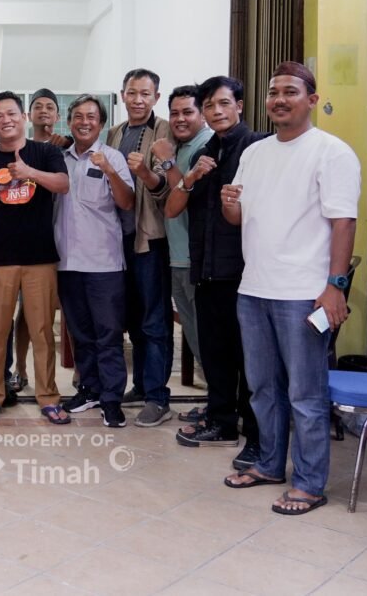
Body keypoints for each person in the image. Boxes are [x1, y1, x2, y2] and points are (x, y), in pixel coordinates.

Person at [223, 62, 360, 515]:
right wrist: (228, 205)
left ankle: (310, 482)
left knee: (305, 394)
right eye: (273, 92)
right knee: (262, 389)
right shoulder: (255, 152)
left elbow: (344, 222)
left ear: (312, 100)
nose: (279, 99)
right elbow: (238, 217)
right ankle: (269, 464)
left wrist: (335, 286)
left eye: (290, 91)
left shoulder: (331, 152)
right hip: (254, 288)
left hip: (304, 292)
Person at [164, 77, 266, 470]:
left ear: (239, 105)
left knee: (250, 362)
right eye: (210, 105)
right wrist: (190, 177)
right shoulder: (205, 153)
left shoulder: (256, 149)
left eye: (224, 103)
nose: (216, 111)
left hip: (245, 274)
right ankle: (222, 423)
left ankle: (257, 437)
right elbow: (173, 208)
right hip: (206, 269)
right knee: (216, 355)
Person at [0, 92, 69, 424]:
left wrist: (29, 172)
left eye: (11, 113)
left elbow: (63, 184)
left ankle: (48, 396)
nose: (6, 120)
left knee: (42, 332)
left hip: (40, 259)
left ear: (23, 117)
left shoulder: (46, 152)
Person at [56, 95, 136, 428]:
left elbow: (127, 202)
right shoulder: (59, 159)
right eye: (78, 116)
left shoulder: (112, 157)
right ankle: (89, 389)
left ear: (101, 124)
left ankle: (112, 399)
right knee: (80, 333)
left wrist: (109, 171)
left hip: (104, 263)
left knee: (108, 334)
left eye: (91, 117)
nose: (84, 122)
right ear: (69, 122)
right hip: (67, 262)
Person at [109, 68, 174, 427]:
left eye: (145, 94)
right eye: (132, 93)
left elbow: (168, 185)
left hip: (150, 238)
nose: (138, 100)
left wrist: (148, 173)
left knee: (154, 320)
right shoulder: (116, 132)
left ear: (156, 97)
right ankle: (141, 385)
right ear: (123, 95)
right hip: (120, 239)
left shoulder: (164, 130)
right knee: (133, 319)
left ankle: (158, 397)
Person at [150, 85, 213, 398]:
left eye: (188, 112)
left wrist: (167, 162)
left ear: (203, 114)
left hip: (197, 261)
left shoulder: (207, 146)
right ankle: (215, 403)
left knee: (208, 337)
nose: (180, 119)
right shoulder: (182, 146)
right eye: (174, 113)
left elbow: (182, 198)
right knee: (195, 335)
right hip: (178, 257)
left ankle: (224, 406)